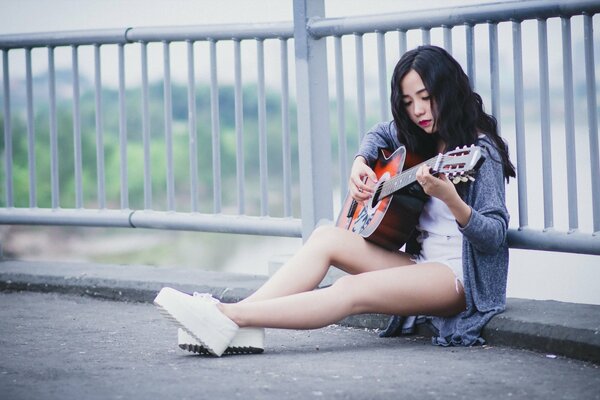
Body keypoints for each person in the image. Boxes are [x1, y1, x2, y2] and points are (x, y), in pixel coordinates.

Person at [154, 45, 516, 356]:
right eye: (408, 102)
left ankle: (227, 316)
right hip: (419, 265)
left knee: (350, 289)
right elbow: (378, 133)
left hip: (457, 279)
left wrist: (452, 200)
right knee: (327, 236)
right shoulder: (419, 135)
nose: (419, 111)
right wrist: (360, 162)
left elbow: (494, 235)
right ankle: (234, 323)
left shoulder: (480, 151)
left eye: (426, 97)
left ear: (448, 92)